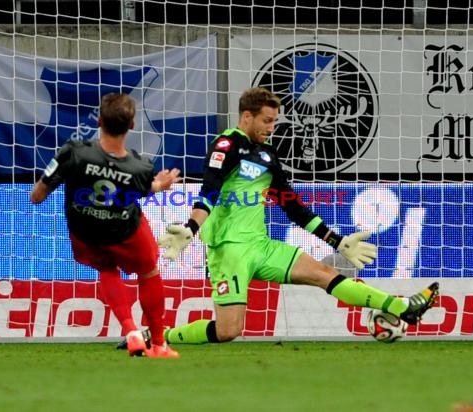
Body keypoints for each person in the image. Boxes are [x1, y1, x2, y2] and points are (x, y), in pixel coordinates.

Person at [157, 87, 439, 344]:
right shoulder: (228, 145)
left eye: (274, 121)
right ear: (247, 116)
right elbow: (210, 190)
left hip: (261, 246)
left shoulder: (267, 155)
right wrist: (192, 227)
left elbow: (292, 206)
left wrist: (337, 242)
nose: (272, 127)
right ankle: (162, 335)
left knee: (325, 273)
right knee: (228, 331)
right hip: (230, 251)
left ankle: (403, 307)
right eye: (267, 120)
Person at [31, 92, 180, 357]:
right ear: (132, 126)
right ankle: (158, 343)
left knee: (106, 268)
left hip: (86, 232)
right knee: (148, 272)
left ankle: (131, 330)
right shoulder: (140, 167)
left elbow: (37, 197)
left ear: (99, 120)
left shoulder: (73, 152)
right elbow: (147, 188)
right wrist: (162, 184)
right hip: (125, 232)